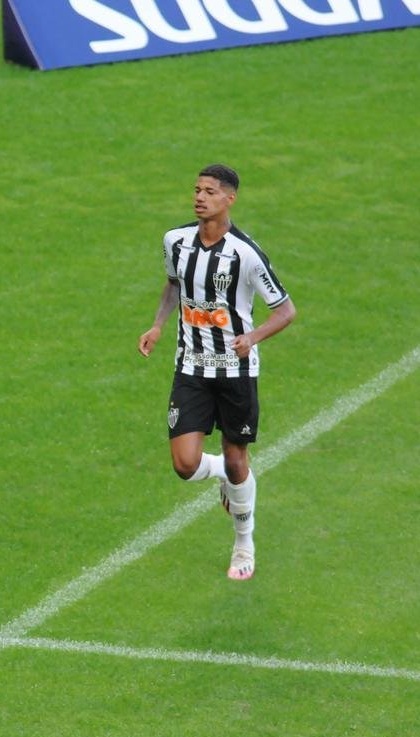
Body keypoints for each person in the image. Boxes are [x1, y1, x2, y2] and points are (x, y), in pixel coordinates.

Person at [138, 164, 296, 580]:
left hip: (235, 371)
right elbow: (174, 285)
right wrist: (157, 324)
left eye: (209, 191)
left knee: (236, 456)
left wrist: (253, 337)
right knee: (185, 464)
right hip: (190, 366)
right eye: (196, 190)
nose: (199, 197)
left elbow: (285, 310)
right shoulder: (175, 241)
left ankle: (244, 543)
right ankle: (226, 477)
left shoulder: (246, 253)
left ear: (230, 199)